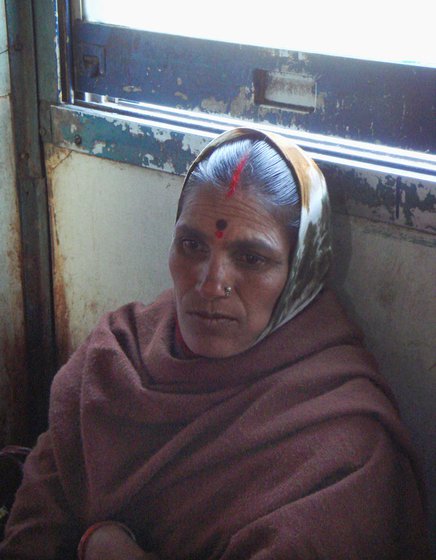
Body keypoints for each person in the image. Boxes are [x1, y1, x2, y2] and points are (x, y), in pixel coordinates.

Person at [0, 128, 429, 559]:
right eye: (191, 245)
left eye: (251, 258)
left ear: (301, 273)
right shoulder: (115, 359)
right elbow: (31, 530)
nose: (210, 284)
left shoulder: (343, 448)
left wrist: (104, 547)